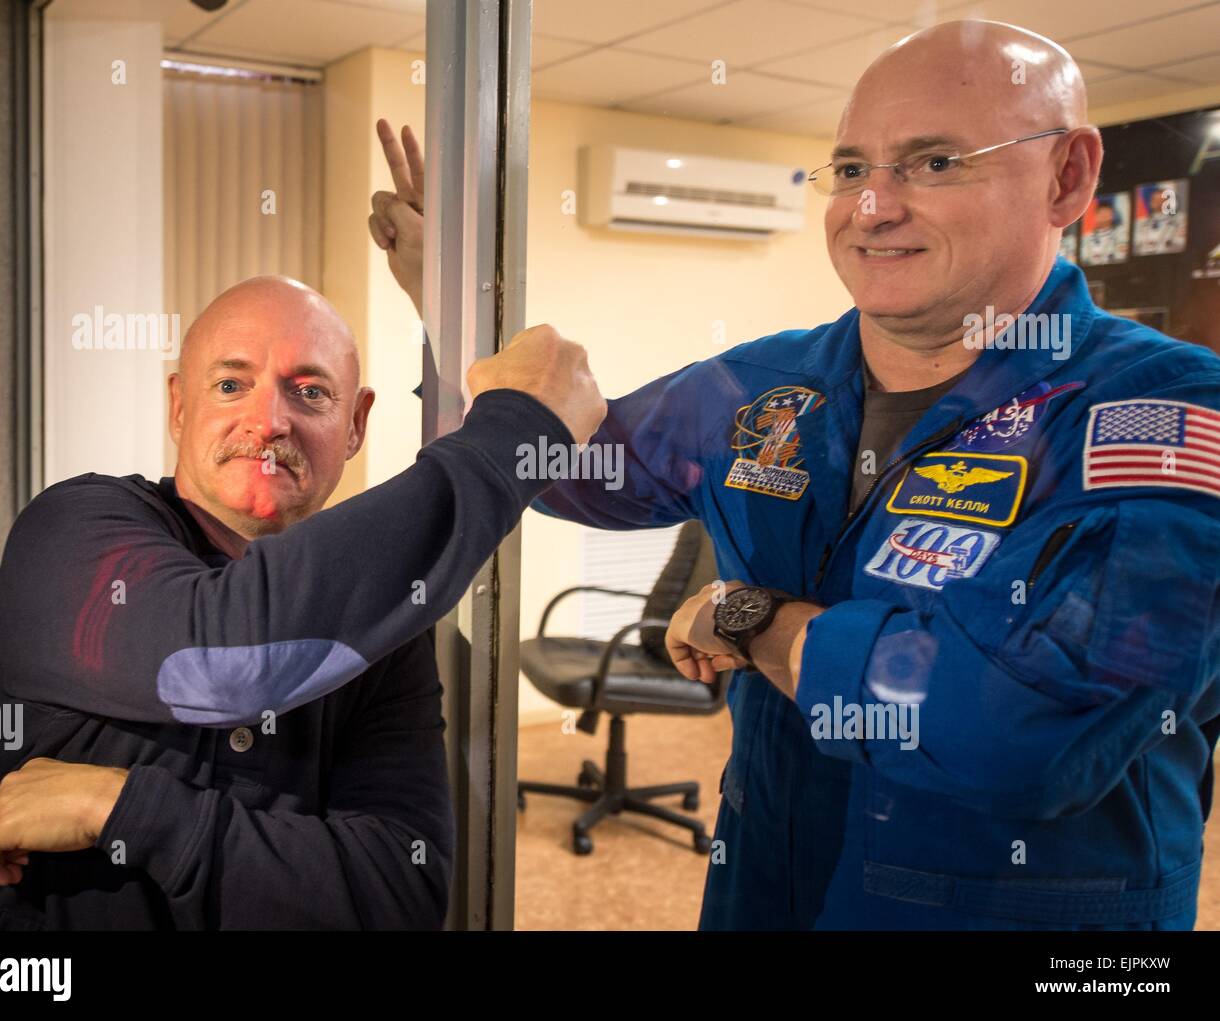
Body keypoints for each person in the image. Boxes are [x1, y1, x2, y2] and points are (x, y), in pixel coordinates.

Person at [370, 20, 1220, 929]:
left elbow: (1018, 729)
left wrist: (752, 616)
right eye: (851, 169)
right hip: (764, 891)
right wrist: (443, 298)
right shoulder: (762, 387)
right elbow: (564, 465)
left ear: (1069, 178)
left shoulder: (1162, 414)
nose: (872, 207)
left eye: (934, 163)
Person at [0, 275, 604, 930]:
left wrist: (120, 807)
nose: (268, 422)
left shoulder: (380, 626)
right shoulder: (73, 529)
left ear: (355, 424)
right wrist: (515, 433)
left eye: (309, 391)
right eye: (231, 384)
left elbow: (397, 895)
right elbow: (223, 656)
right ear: (179, 405)